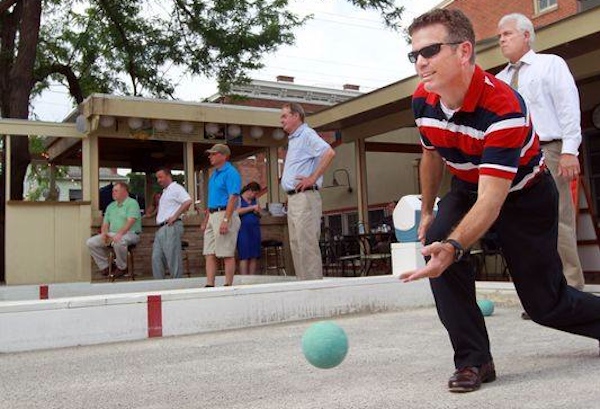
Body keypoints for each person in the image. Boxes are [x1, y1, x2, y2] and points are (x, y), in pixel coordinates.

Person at [400, 9, 600, 394]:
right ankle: (474, 360)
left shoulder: (503, 106)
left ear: (463, 51)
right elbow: (430, 154)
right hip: (467, 185)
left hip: (524, 197)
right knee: (437, 244)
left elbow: (494, 200)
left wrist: (456, 245)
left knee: (546, 305)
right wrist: (427, 212)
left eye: (430, 50)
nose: (420, 62)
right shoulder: (423, 100)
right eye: (415, 55)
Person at [496, 13, 585, 300]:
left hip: (550, 149)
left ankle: (570, 289)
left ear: (526, 35)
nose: (501, 40)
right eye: (499, 36)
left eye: (507, 34)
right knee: (523, 224)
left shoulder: (550, 65)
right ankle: (540, 294)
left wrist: (570, 150)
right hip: (515, 158)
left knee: (558, 219)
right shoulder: (499, 80)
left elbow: (568, 106)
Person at [280, 102, 336, 280]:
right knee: (296, 243)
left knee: (307, 243)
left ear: (296, 116)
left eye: (284, 116)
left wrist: (312, 178)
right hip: (296, 198)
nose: (281, 120)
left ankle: (313, 289)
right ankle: (303, 286)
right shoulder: (295, 139)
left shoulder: (306, 134)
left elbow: (329, 153)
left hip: (305, 197)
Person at [201, 144, 242, 287]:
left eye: (213, 154)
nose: (210, 156)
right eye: (210, 154)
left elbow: (233, 197)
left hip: (225, 213)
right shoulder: (214, 174)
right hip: (213, 214)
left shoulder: (231, 173)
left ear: (223, 156)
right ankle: (209, 284)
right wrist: (206, 219)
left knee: (226, 252)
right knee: (209, 252)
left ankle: (228, 284)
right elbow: (211, 199)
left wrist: (226, 219)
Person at [87, 182, 141, 277]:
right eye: (113, 191)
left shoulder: (132, 203)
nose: (113, 193)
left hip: (131, 234)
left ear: (124, 191)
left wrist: (119, 234)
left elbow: (130, 222)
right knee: (91, 242)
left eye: (116, 191)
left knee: (119, 241)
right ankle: (106, 267)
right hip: (112, 234)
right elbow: (105, 223)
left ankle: (122, 267)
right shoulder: (111, 206)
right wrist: (104, 234)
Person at [152, 167, 192, 279]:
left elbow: (188, 201)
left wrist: (175, 216)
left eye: (160, 177)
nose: (158, 180)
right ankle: (159, 285)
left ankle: (176, 284)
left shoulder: (176, 188)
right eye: (157, 178)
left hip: (171, 226)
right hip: (161, 228)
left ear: (168, 176)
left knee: (173, 258)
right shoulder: (165, 191)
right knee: (157, 257)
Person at [237, 182, 262, 275]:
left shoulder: (256, 200)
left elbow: (260, 213)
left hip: (255, 229)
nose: (255, 195)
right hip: (243, 230)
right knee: (244, 255)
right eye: (254, 193)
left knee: (254, 255)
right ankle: (244, 279)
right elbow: (236, 212)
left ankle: (252, 278)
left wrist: (257, 211)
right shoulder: (239, 199)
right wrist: (251, 208)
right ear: (249, 191)